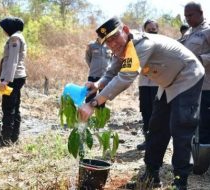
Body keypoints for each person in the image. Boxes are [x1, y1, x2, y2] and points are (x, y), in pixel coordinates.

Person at [78, 17, 205, 190]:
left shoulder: (141, 45)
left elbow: (125, 77)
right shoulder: (123, 48)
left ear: (126, 31)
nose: (112, 44)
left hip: (188, 75)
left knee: (181, 127)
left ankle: (179, 181)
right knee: (156, 127)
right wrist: (97, 84)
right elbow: (111, 72)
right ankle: (151, 175)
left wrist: (93, 104)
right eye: (107, 41)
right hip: (168, 82)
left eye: (115, 37)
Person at [181, 2, 210, 145]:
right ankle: (197, 159)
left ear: (201, 13)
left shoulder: (208, 31)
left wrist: (200, 59)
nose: (187, 19)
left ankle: (205, 161)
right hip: (189, 86)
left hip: (206, 87)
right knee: (193, 124)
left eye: (190, 15)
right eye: (186, 16)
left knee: (205, 125)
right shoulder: (188, 33)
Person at [0, 16, 27, 145]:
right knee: (14, 106)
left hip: (13, 78)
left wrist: (6, 80)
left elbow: (13, 61)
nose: (3, 31)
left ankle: (6, 139)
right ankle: (13, 137)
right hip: (17, 77)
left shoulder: (14, 38)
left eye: (4, 28)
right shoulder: (18, 36)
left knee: (8, 108)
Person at [136, 20, 159, 151]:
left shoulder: (162, 44)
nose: (152, 30)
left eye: (154, 28)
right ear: (144, 30)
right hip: (144, 84)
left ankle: (156, 142)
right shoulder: (141, 44)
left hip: (158, 84)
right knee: (145, 111)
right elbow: (137, 64)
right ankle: (147, 141)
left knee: (157, 113)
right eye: (149, 28)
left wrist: (150, 71)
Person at [85, 38, 112, 107]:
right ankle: (87, 116)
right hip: (93, 76)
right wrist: (93, 67)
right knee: (89, 97)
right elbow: (88, 58)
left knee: (102, 99)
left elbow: (112, 60)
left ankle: (99, 116)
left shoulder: (110, 44)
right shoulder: (91, 45)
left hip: (105, 77)